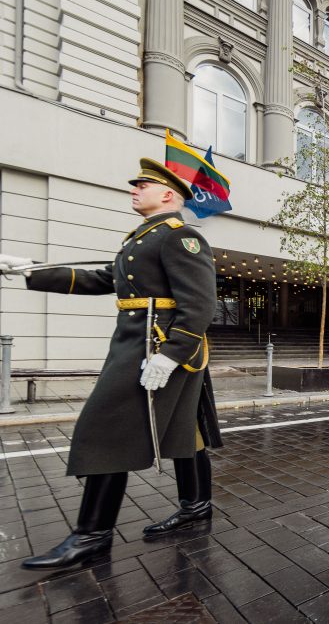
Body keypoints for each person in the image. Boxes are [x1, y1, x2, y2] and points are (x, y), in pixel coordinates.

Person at [0, 159, 218, 569]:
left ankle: (92, 536)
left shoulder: (179, 237)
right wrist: (31, 269)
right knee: (184, 430)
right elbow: (103, 280)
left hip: (157, 351)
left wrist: (169, 357)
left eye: (143, 185)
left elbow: (200, 305)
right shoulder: (142, 238)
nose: (134, 190)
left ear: (168, 194)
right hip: (134, 347)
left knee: (105, 431)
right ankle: (196, 505)